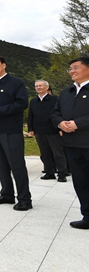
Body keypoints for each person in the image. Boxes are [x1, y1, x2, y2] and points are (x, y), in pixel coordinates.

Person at [0, 56, 31, 211]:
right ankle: (7, 194)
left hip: (10, 130)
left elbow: (22, 103)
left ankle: (24, 199)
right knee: (1, 165)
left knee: (16, 165)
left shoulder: (15, 83)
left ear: (4, 65)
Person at [51, 57, 89, 229]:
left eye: (76, 67)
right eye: (70, 68)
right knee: (80, 181)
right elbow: (55, 113)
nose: (71, 71)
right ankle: (87, 216)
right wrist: (60, 123)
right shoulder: (66, 92)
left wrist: (78, 124)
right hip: (72, 145)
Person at [28, 80, 67, 182]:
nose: (38, 87)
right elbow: (30, 116)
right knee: (44, 154)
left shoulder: (55, 100)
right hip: (39, 131)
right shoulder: (33, 101)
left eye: (41, 85)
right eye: (36, 86)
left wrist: (60, 128)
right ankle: (49, 172)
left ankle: (62, 173)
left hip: (53, 130)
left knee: (58, 153)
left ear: (47, 87)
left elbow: (60, 114)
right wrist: (31, 129)